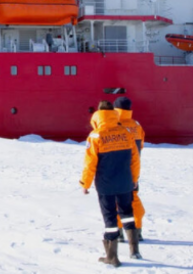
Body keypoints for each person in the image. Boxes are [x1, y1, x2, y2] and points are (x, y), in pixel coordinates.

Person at [80, 100, 141, 267]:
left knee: (110, 218)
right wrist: (134, 179)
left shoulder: (96, 135)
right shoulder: (126, 132)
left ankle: (112, 257)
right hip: (125, 182)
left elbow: (90, 163)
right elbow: (135, 160)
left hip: (106, 185)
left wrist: (85, 183)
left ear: (98, 115)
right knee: (127, 213)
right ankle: (134, 250)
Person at [114, 97, 146, 242]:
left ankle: (119, 231)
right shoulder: (137, 126)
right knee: (133, 199)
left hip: (117, 170)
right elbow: (141, 145)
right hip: (133, 171)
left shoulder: (114, 124)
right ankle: (137, 230)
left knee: (116, 201)